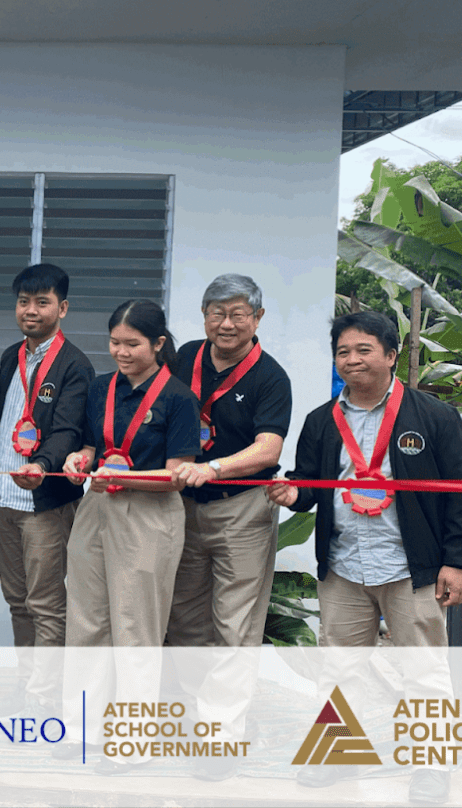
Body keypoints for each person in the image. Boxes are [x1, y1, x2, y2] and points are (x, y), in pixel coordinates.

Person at [267, 311, 462, 806]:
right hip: (344, 566)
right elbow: (309, 483)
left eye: (364, 350)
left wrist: (457, 561)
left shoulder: (433, 417)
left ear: (390, 355)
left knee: (423, 670)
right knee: (339, 668)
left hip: (412, 567)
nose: (352, 360)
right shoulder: (321, 421)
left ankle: (432, 767)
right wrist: (293, 494)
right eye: (343, 352)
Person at [164, 274, 293, 779]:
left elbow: (268, 449)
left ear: (257, 319)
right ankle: (205, 716)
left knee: (235, 624)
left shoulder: (270, 377)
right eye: (217, 313)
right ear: (204, 316)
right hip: (183, 508)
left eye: (238, 314)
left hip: (242, 509)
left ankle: (220, 736)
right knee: (185, 621)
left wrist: (214, 468)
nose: (227, 323)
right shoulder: (186, 358)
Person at [62, 300, 199, 766]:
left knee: (136, 627)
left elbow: (178, 474)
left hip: (149, 515)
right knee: (86, 620)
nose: (121, 352)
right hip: (98, 507)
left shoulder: (178, 398)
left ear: (158, 344)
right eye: (114, 343)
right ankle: (82, 729)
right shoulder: (101, 388)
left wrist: (122, 477)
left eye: (132, 344)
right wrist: (80, 461)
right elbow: (90, 446)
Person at [0, 264, 95, 712]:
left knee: (46, 604)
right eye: (23, 302)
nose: (30, 310)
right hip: (5, 501)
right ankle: (28, 685)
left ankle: (44, 699)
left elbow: (68, 430)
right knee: (18, 602)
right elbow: (4, 423)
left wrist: (43, 465)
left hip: (45, 504)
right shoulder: (10, 356)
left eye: (42, 302)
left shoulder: (75, 365)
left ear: (62, 308)